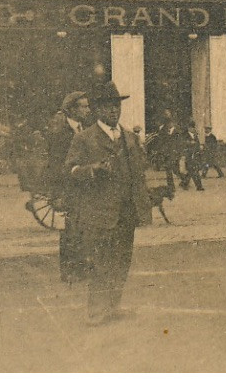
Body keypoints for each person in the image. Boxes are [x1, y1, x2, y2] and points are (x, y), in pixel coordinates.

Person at [64, 82, 153, 325]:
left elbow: (139, 174)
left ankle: (113, 307)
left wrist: (143, 204)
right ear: (97, 110)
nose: (114, 111)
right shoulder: (85, 139)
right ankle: (96, 311)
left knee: (122, 261)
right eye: (108, 106)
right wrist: (92, 170)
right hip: (100, 213)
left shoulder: (130, 138)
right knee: (102, 262)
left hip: (127, 213)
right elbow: (70, 170)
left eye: (117, 106)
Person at [46, 91, 92, 283]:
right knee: (70, 231)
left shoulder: (86, 130)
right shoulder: (61, 134)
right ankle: (68, 270)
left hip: (85, 187)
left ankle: (82, 267)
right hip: (69, 188)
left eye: (88, 106)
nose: (88, 110)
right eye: (83, 106)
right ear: (72, 110)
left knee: (85, 228)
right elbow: (55, 165)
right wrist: (57, 193)